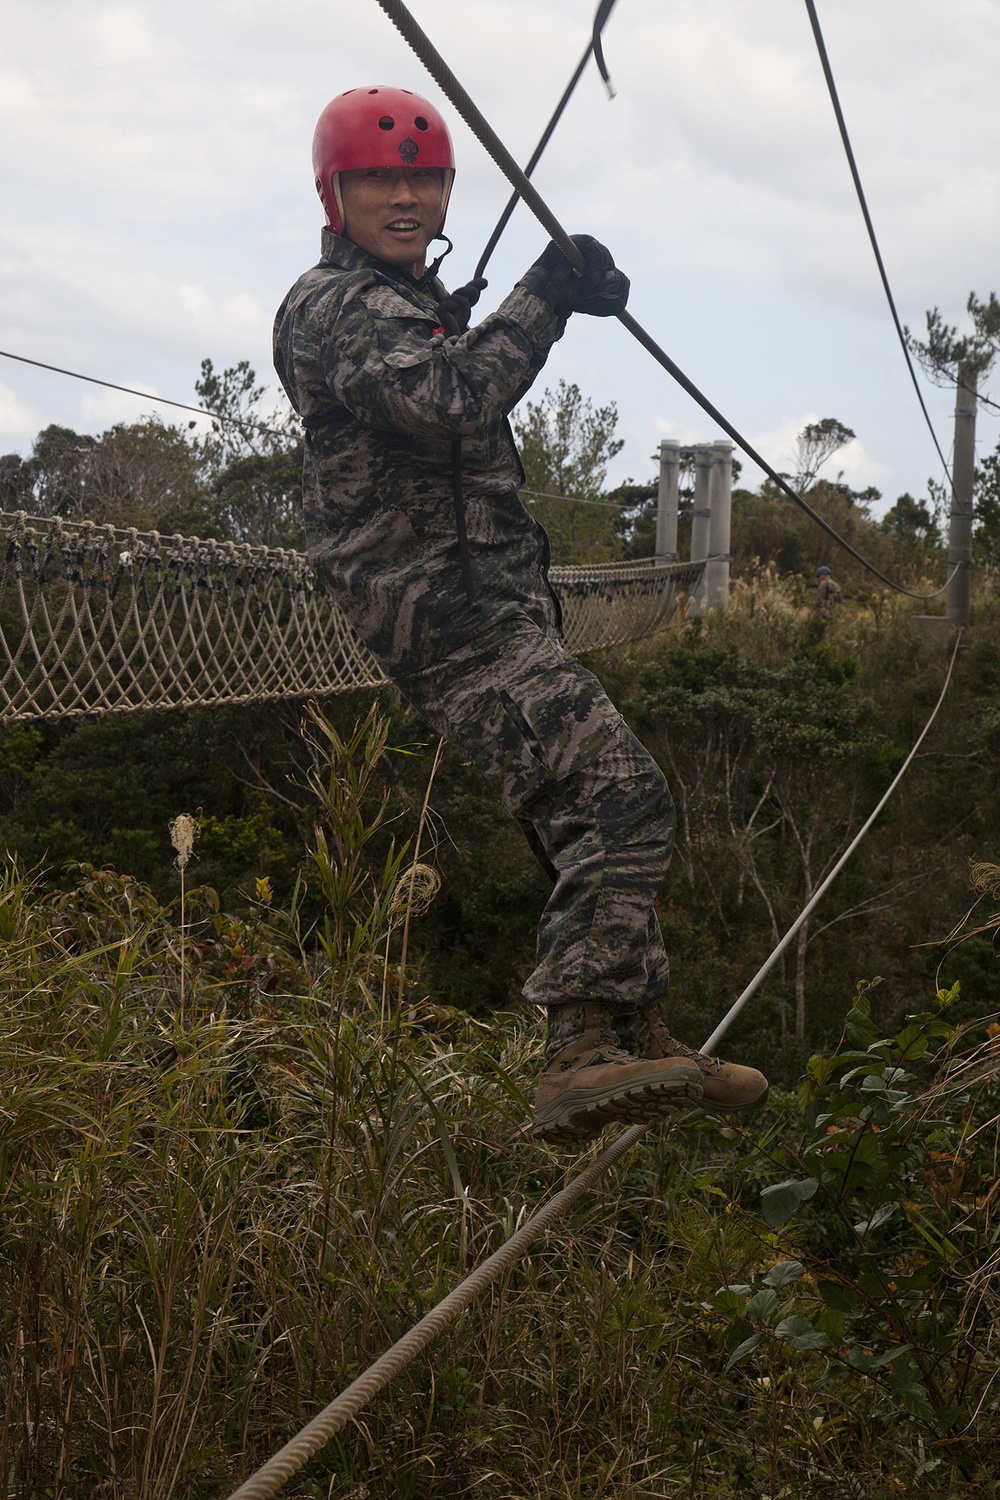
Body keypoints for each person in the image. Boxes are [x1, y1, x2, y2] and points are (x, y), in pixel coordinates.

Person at [273, 85, 767, 1146]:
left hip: (482, 605)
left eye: (424, 178)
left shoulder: (403, 303)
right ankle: (580, 1050)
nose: (405, 196)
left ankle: (628, 1030)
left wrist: (526, 302)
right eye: (379, 179)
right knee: (622, 798)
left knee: (582, 815)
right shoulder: (332, 306)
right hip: (445, 613)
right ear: (336, 191)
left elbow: (454, 367)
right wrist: (548, 290)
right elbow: (452, 396)